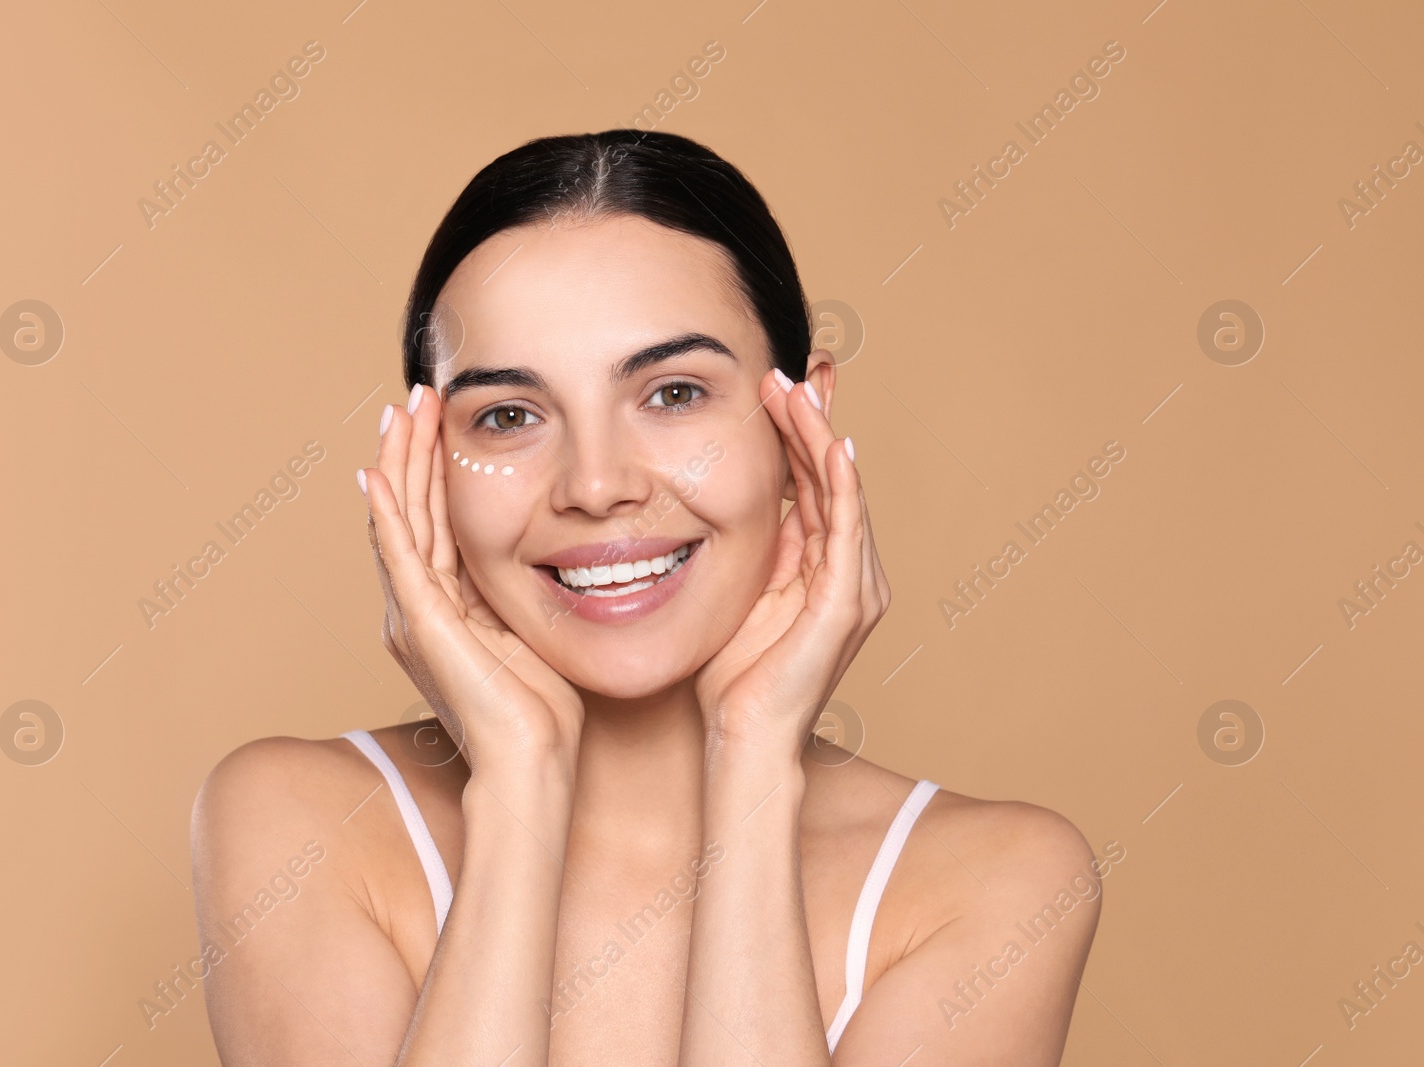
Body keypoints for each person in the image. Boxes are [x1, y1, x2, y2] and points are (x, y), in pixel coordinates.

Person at [190, 129, 1101, 1065]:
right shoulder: (293, 824)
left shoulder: (998, 883)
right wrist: (517, 781)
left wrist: (752, 761)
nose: (595, 485)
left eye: (672, 393)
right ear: (425, 462)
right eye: (507, 415)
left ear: (805, 421)